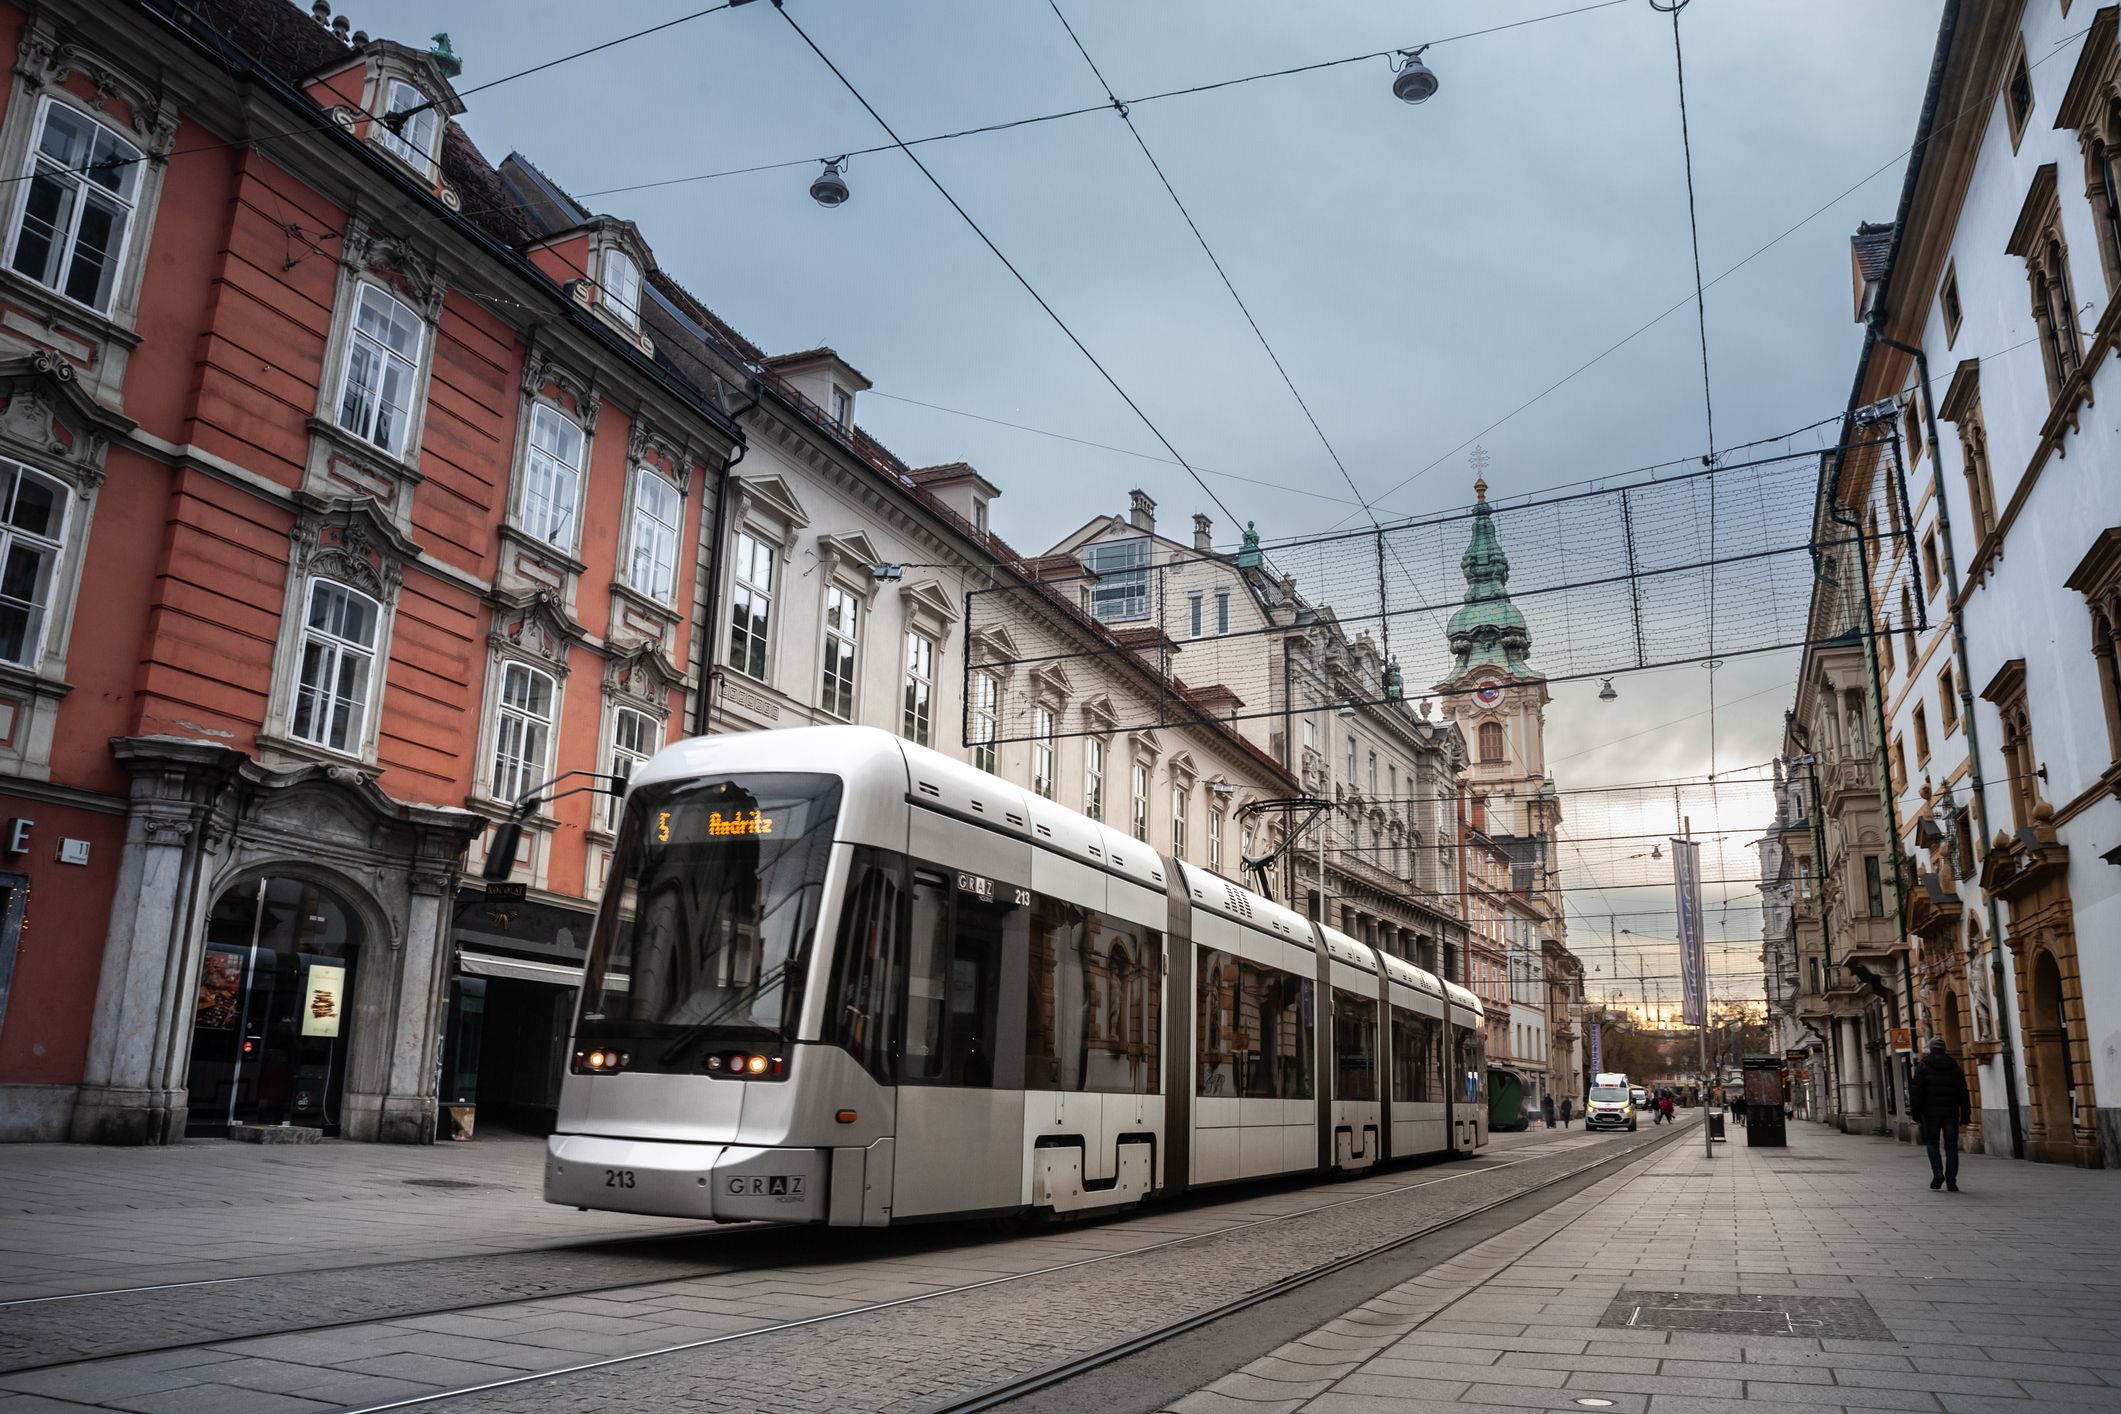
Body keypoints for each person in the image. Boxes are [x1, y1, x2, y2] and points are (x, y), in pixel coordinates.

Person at [1909, 1035, 1972, 1192]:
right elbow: (1963, 1093)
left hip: (1930, 1114)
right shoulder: (1954, 1067)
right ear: (1944, 1049)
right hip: (1950, 1113)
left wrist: (1915, 1113)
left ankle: (1937, 1173)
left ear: (1931, 1049)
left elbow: (1916, 1093)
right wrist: (1965, 1113)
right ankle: (1951, 1180)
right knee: (1951, 1146)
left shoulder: (1923, 1066)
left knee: (1932, 1142)